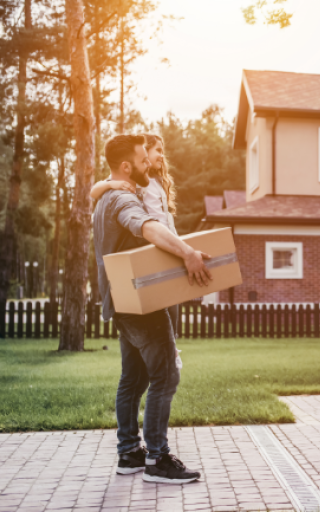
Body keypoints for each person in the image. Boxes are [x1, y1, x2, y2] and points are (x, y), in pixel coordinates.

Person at [93, 134, 211, 484]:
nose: (150, 165)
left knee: (134, 378)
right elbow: (147, 226)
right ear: (127, 165)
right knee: (165, 376)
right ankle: (158, 459)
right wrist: (188, 253)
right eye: (144, 160)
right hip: (141, 305)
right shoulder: (122, 200)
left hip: (121, 301)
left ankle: (129, 453)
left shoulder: (105, 197)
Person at [91, 134, 181, 339]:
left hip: (168, 244)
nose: (161, 155)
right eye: (157, 150)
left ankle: (172, 347)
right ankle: (170, 353)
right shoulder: (134, 182)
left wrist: (179, 246)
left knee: (172, 310)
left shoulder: (156, 182)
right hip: (154, 246)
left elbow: (167, 222)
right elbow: (94, 190)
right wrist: (111, 185)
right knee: (162, 315)